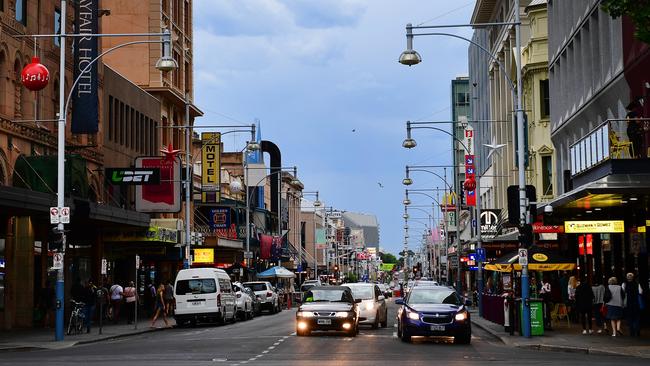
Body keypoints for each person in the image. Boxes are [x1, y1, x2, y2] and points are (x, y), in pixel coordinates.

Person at [622, 272, 643, 337]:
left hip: (628, 303)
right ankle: (637, 331)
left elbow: (623, 293)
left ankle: (632, 332)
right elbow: (640, 292)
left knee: (630, 318)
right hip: (636, 303)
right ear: (633, 277)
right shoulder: (637, 284)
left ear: (627, 277)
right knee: (636, 318)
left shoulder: (624, 284)